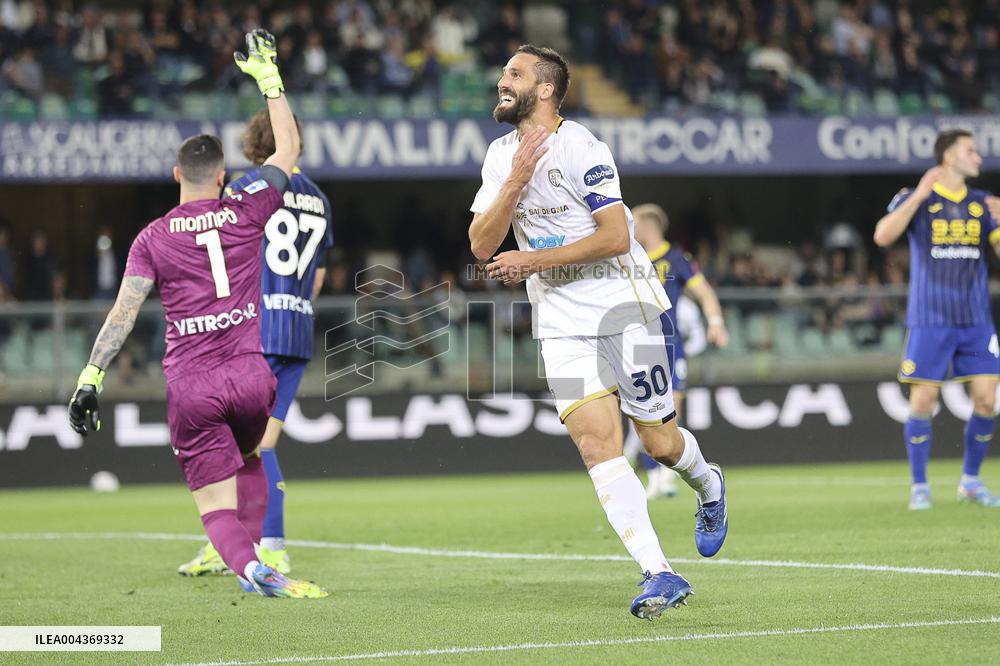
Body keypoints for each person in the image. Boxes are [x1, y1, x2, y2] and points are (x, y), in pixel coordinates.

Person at [469, 45, 728, 620]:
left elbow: (615, 235)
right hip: (559, 317)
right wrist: (515, 180)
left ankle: (708, 482)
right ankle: (659, 572)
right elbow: (482, 244)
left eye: (514, 74)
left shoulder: (583, 146)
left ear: (544, 90)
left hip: (623, 305)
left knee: (660, 444)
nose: (501, 81)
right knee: (596, 445)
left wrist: (533, 261)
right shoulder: (499, 156)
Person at [67, 30, 327, 598]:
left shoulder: (151, 238)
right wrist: (269, 81)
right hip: (252, 374)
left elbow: (124, 313)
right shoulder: (245, 210)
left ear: (175, 176)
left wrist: (91, 378)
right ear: (222, 179)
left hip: (193, 385)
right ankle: (268, 551)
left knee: (214, 507)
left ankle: (251, 568)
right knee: (255, 455)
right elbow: (287, 152)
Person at [178, 108, 333, 577]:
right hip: (297, 333)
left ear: (252, 146)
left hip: (251, 329)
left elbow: (222, 253)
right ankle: (248, 544)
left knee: (227, 445)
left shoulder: (248, 186)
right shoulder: (320, 199)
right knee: (256, 447)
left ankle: (260, 545)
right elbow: (319, 276)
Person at [873, 129, 1000, 510]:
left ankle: (971, 482)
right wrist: (919, 196)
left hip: (976, 320)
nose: (978, 157)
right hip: (930, 318)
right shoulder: (915, 198)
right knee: (924, 400)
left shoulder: (983, 204)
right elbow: (883, 236)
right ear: (948, 156)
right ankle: (920, 487)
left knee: (986, 401)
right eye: (970, 151)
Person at [624, 204, 729, 499]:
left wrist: (716, 321)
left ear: (645, 226)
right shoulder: (630, 259)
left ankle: (667, 474)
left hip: (671, 347)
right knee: (641, 413)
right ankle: (654, 475)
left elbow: (704, 292)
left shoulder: (677, 258)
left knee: (671, 413)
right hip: (637, 346)